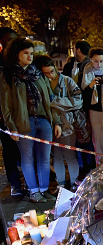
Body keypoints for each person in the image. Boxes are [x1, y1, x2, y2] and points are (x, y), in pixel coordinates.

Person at [0, 37, 61, 203]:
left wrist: (56, 122)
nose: (29, 56)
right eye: (25, 53)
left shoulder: (37, 73)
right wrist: (12, 126)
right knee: (28, 158)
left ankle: (43, 189)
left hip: (43, 120)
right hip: (24, 122)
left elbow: (50, 100)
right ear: (16, 54)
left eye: (31, 53)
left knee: (44, 158)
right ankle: (34, 191)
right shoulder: (9, 75)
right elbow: (6, 105)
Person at [35, 55, 86, 191]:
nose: (50, 75)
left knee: (70, 154)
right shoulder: (41, 83)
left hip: (68, 124)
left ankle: (74, 182)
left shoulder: (67, 81)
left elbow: (78, 100)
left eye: (52, 71)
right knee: (56, 155)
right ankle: (61, 184)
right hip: (50, 124)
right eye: (46, 73)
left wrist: (56, 102)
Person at [0, 27, 25, 197]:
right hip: (4, 115)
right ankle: (15, 183)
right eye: (7, 40)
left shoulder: (22, 62)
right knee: (9, 149)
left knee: (25, 150)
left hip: (24, 115)